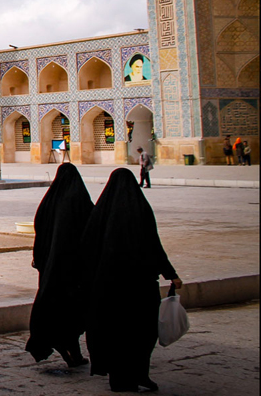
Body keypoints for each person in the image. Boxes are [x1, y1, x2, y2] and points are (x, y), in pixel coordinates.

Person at [81, 169, 182, 393]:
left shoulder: (101, 212)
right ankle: (139, 373)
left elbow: (88, 248)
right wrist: (170, 273)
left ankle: (119, 378)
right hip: (140, 286)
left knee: (113, 332)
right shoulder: (140, 209)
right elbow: (154, 245)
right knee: (141, 333)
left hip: (108, 287)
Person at [26, 163, 94, 368]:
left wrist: (39, 258)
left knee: (55, 305)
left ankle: (68, 349)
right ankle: (73, 350)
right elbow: (91, 229)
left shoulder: (49, 201)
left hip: (50, 266)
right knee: (73, 310)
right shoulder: (79, 200)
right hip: (74, 269)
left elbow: (39, 230)